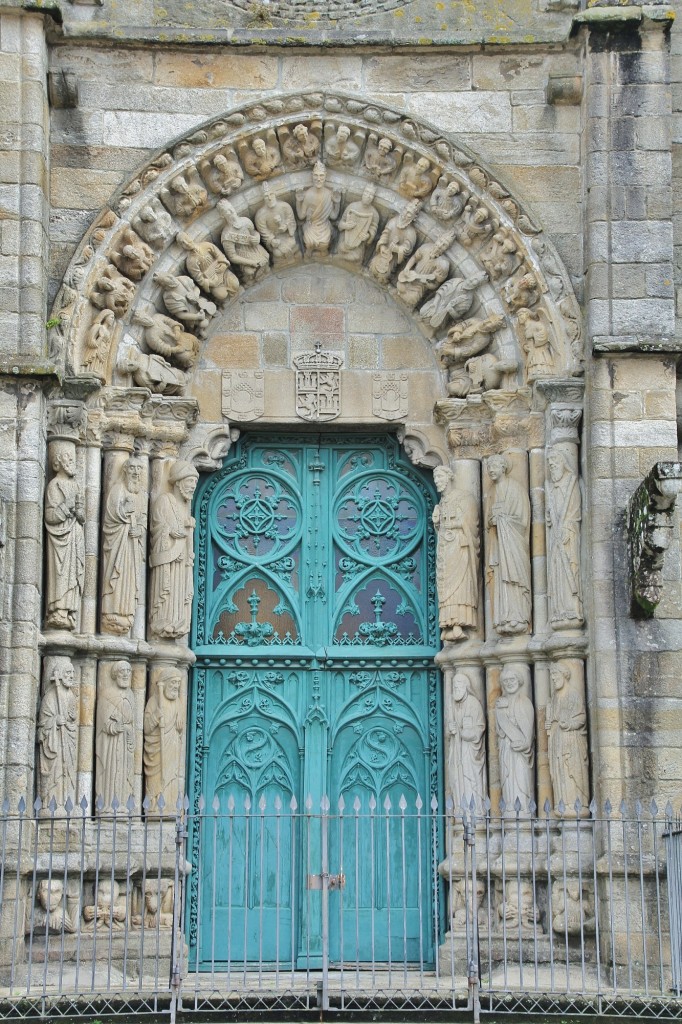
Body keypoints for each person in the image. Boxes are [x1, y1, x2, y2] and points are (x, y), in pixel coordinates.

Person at [149, 461, 199, 639]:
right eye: (190, 482)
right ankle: (164, 620)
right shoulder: (165, 500)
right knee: (167, 590)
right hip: (168, 558)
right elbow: (156, 526)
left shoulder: (185, 507)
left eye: (194, 483)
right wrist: (169, 531)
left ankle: (178, 621)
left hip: (182, 560)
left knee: (180, 590)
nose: (193, 487)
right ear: (178, 482)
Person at [101, 456, 147, 635]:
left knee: (131, 578)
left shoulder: (142, 495)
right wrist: (124, 514)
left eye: (139, 469)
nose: (136, 472)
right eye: (132, 468)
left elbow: (143, 520)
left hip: (133, 545)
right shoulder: (118, 489)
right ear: (125, 470)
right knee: (117, 575)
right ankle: (112, 610)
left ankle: (127, 611)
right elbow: (111, 516)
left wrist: (140, 529)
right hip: (119, 543)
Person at [486, 454, 531, 635]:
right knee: (500, 578)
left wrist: (503, 520)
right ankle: (503, 617)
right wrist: (493, 520)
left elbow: (522, 521)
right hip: (498, 543)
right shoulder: (491, 492)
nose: (490, 470)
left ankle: (517, 616)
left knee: (513, 579)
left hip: (513, 544)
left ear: (503, 467)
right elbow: (489, 520)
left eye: (494, 466)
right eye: (489, 467)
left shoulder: (516, 489)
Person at [44, 443, 85, 630]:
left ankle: (69, 611)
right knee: (60, 574)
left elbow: (83, 516)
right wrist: (66, 506)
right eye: (67, 459)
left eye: (73, 459)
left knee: (73, 574)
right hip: (59, 538)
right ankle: (58, 611)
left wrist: (77, 511)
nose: (71, 462)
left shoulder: (76, 486)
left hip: (75, 535)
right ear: (57, 463)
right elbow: (50, 516)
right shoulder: (53, 485)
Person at [96, 660, 135, 808]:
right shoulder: (107, 695)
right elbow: (103, 724)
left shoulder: (131, 695)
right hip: (111, 744)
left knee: (124, 774)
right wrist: (114, 727)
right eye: (122, 671)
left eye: (128, 671)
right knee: (111, 773)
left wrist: (130, 735)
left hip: (125, 743)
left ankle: (125, 805)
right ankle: (108, 805)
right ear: (114, 675)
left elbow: (132, 722)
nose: (125, 674)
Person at [495, 665, 534, 812]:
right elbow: (499, 732)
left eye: (512, 679)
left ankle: (523, 809)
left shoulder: (524, 702)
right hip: (506, 749)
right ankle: (510, 808)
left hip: (519, 752)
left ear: (519, 681)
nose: (509, 683)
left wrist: (525, 744)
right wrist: (500, 711)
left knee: (520, 779)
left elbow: (528, 731)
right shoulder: (501, 704)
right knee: (507, 779)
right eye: (506, 681)